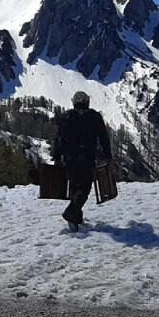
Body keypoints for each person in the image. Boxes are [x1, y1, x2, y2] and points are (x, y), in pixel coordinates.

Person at [53, 91, 112, 231]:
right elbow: (103, 138)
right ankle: (71, 213)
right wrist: (108, 155)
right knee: (84, 188)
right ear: (87, 102)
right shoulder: (95, 117)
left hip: (70, 158)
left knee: (74, 186)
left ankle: (76, 219)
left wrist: (56, 156)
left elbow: (59, 138)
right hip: (87, 157)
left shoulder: (66, 116)